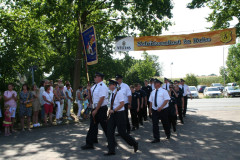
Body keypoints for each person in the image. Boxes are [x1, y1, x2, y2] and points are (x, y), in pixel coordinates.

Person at [105, 80, 138, 156]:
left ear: (114, 85)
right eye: (108, 85)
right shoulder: (113, 93)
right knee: (109, 131)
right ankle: (111, 150)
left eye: (110, 85)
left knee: (122, 132)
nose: (109, 86)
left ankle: (134, 143)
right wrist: (110, 110)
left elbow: (122, 104)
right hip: (113, 114)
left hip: (120, 114)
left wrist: (114, 110)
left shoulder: (119, 93)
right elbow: (112, 103)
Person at [81, 72, 108, 150]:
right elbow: (90, 96)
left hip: (101, 109)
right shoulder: (94, 86)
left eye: (96, 77)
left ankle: (112, 141)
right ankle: (90, 143)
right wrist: (88, 90)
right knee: (93, 126)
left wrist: (96, 110)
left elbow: (101, 99)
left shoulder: (102, 86)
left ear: (100, 78)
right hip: (94, 108)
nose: (94, 78)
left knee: (105, 126)